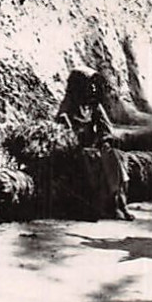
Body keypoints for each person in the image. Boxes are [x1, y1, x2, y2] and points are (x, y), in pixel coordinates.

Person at [56, 66, 134, 221]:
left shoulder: (94, 106)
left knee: (115, 158)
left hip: (94, 145)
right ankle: (100, 207)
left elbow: (105, 127)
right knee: (91, 161)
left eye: (93, 84)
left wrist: (104, 140)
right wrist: (71, 135)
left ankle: (120, 204)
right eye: (88, 84)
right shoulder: (69, 105)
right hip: (76, 148)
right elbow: (62, 130)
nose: (92, 88)